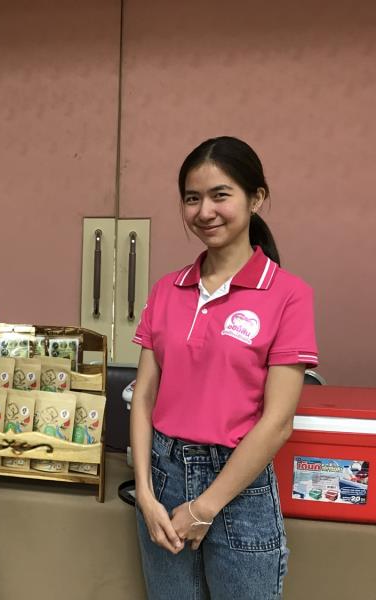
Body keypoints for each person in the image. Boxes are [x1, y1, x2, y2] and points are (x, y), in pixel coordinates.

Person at [131, 136, 319, 599]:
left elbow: (277, 423)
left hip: (239, 488)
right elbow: (144, 397)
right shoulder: (166, 290)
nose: (205, 211)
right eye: (192, 198)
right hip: (163, 478)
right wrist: (145, 496)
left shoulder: (289, 295)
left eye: (220, 195)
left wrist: (205, 507)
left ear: (256, 198)